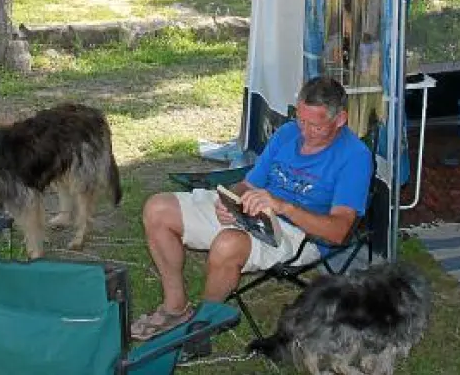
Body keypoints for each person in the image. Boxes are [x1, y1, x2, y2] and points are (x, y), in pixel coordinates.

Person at [131, 76, 373, 341]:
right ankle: (175, 308)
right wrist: (230, 202)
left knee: (228, 244)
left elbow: (338, 231)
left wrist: (284, 207)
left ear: (340, 119)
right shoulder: (287, 133)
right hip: (254, 211)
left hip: (300, 234)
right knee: (157, 208)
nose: (304, 132)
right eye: (301, 120)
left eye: (315, 126)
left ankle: (201, 327)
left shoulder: (355, 157)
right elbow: (248, 184)